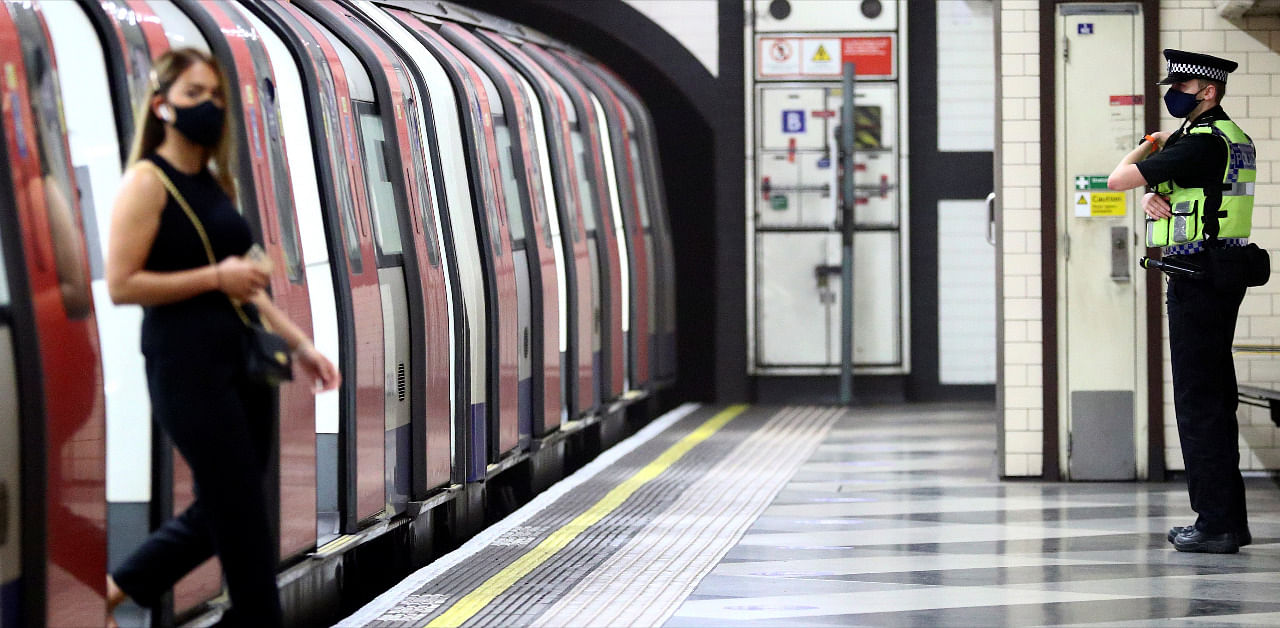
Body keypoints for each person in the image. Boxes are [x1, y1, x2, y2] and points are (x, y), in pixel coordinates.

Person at [102, 48, 340, 625]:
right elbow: (121, 283)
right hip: (184, 366)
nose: (208, 106)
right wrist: (214, 277)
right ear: (161, 106)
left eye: (215, 95)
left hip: (241, 362)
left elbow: (248, 285)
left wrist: (300, 344)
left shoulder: (213, 182)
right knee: (239, 515)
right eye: (192, 95)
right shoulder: (147, 182)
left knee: (233, 510)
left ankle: (110, 593)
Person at [1107, 49, 1256, 554]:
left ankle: (1215, 525)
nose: (1175, 93)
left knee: (1198, 402)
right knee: (1214, 398)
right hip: (1217, 273)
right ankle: (1227, 519)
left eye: (1184, 86)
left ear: (1207, 91)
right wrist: (1155, 196)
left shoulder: (1202, 142)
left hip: (1198, 279)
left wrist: (1150, 142)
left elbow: (1118, 178)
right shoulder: (1222, 140)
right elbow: (1186, 198)